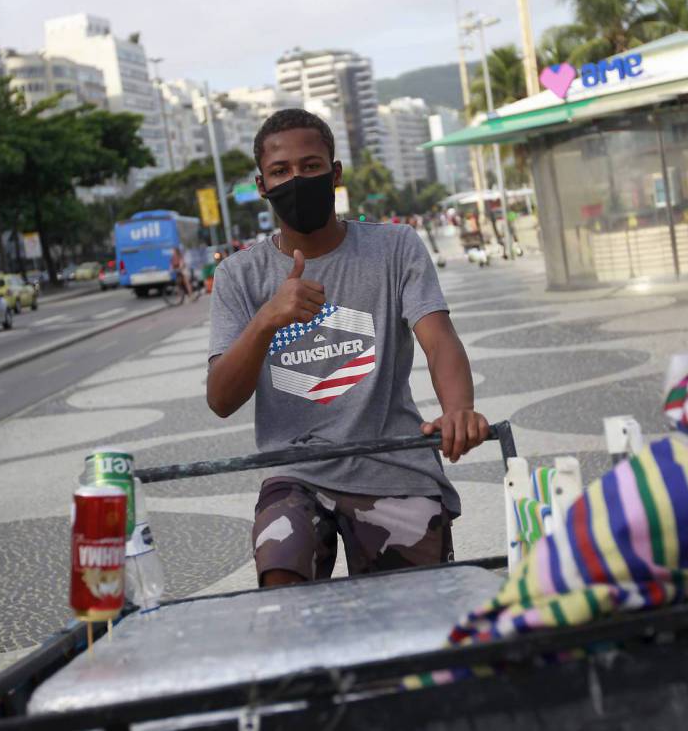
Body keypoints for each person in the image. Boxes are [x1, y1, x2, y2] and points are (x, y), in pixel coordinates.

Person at [206, 109, 487, 587]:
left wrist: (459, 409)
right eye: (281, 171)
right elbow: (221, 399)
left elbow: (439, 339)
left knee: (415, 615)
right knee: (281, 577)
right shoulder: (238, 275)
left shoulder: (395, 247)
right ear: (262, 184)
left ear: (334, 173)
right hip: (294, 472)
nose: (296, 179)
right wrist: (267, 319)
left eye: (310, 166)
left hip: (393, 461)